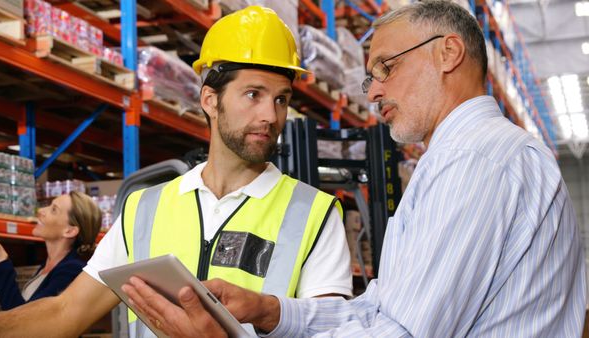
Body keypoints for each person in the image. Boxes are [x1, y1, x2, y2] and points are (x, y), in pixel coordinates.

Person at [121, 1, 587, 337]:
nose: (373, 91)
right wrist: (270, 312)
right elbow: (383, 308)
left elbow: (402, 332)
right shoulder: (456, 161)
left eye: (385, 67)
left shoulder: (477, 161)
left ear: (448, 53)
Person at [0, 6, 352, 338]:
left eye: (281, 99)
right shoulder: (145, 209)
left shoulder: (314, 215)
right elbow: (64, 313)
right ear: (210, 99)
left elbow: (331, 331)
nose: (271, 115)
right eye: (253, 94)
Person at [0, 191, 102, 310]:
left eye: (53, 210)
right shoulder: (49, 267)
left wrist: (1, 257)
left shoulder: (71, 272)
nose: (40, 210)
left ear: (70, 231)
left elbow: (22, 320)